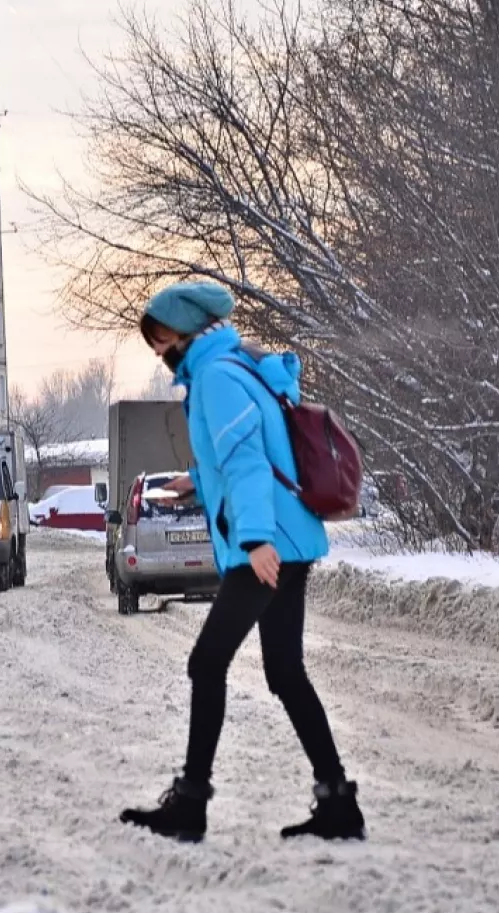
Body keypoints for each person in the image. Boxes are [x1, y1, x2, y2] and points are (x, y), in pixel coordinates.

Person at [119, 279, 364, 843]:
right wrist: (200, 483)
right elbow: (245, 460)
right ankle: (337, 802)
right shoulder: (235, 365)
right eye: (153, 342)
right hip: (286, 539)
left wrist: (254, 540)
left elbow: (250, 463)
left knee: (207, 664)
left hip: (266, 545)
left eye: (161, 339)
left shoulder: (215, 378)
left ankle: (191, 803)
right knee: (284, 671)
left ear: (186, 331)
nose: (159, 352)